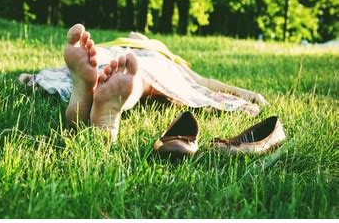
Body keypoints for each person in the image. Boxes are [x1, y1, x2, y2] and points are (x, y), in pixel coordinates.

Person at [20, 23, 268, 141]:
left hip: (111, 59)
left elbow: (203, 81)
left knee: (113, 71)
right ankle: (101, 104)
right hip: (142, 64)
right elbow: (204, 82)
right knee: (135, 77)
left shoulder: (157, 49)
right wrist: (245, 94)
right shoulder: (161, 53)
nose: (133, 33)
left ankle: (83, 97)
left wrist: (35, 78)